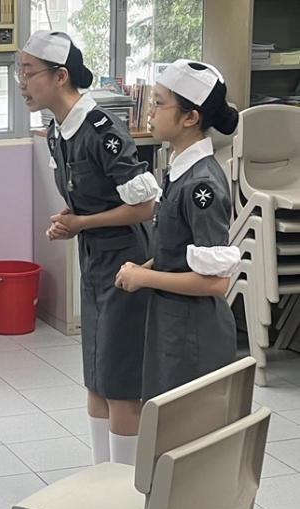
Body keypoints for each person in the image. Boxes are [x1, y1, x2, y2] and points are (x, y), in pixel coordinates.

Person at [18, 30, 159, 465]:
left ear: (60, 76)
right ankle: (101, 477)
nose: (22, 83)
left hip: (126, 259)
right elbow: (88, 192)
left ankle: (125, 486)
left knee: (120, 381)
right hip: (95, 259)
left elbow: (143, 206)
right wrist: (71, 218)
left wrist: (83, 223)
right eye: (19, 73)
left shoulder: (102, 129)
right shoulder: (57, 130)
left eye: (29, 73)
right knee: (96, 376)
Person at [115, 59, 239, 401]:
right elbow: (178, 250)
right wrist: (146, 267)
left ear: (190, 117)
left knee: (185, 427)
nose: (150, 112)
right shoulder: (179, 169)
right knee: (161, 420)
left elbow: (216, 282)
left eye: (158, 103)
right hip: (171, 322)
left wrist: (145, 278)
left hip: (193, 332)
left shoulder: (202, 185)